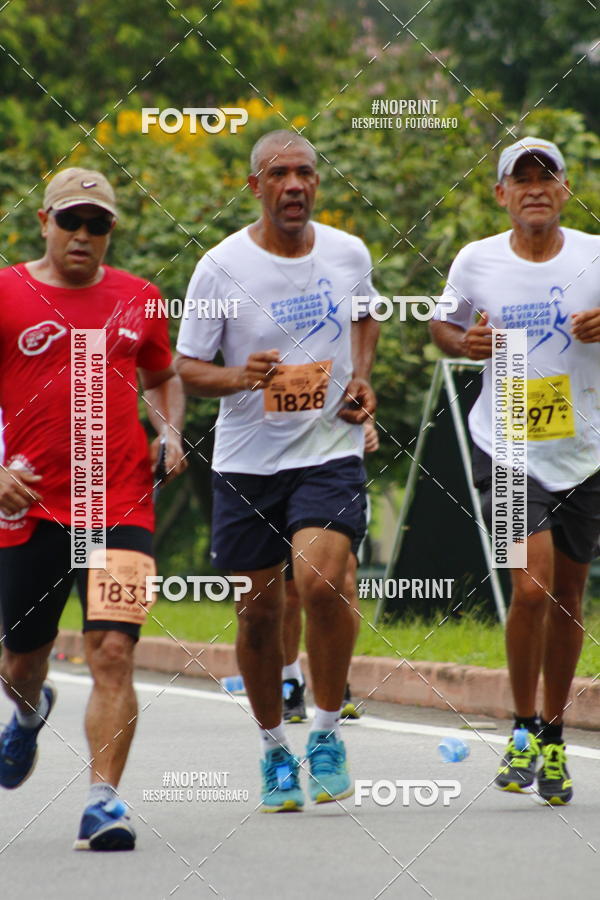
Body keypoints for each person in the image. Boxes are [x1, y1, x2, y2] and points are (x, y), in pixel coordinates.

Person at [176, 130, 379, 811]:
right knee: (259, 614)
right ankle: (273, 751)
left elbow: (366, 317)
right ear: (254, 186)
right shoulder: (220, 267)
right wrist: (240, 375)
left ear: (317, 184)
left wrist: (362, 383)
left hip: (327, 450)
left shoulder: (348, 253)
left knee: (320, 582)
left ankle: (325, 732)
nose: (294, 185)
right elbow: (188, 368)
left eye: (305, 174)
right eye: (279, 174)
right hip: (246, 463)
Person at [0, 167, 187, 849]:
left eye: (98, 224)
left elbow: (164, 377)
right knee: (21, 662)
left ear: (111, 231)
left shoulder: (140, 299)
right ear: (44, 220)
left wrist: (169, 430)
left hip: (121, 501)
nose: (83, 235)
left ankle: (104, 803)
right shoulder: (5, 293)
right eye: (71, 221)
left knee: (113, 650)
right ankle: (26, 717)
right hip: (31, 508)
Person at [430, 137, 600, 805]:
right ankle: (523, 725)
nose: (534, 187)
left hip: (585, 449)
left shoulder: (594, 254)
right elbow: (444, 327)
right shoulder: (477, 260)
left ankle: (554, 737)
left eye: (545, 177)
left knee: (568, 599)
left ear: (563, 190)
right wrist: (463, 340)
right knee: (531, 589)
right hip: (504, 445)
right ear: (501, 194)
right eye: (519, 178)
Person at [282, 420, 380, 723]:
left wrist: (367, 423)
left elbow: (358, 390)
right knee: (289, 592)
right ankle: (290, 681)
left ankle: (337, 681)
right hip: (273, 469)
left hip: (335, 471)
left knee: (342, 580)